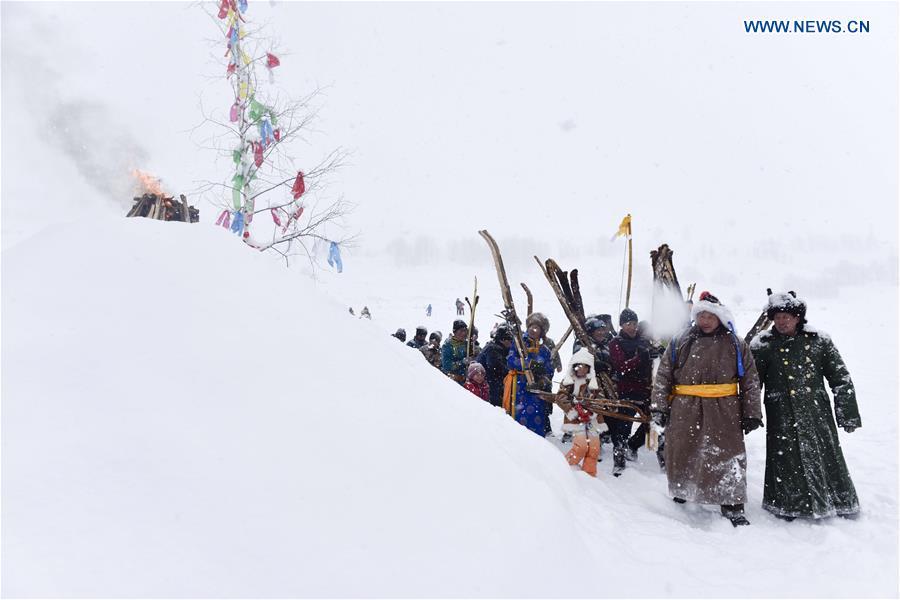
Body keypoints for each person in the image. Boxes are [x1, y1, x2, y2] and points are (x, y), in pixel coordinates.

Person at [650, 291, 763, 526]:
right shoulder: (680, 340)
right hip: (685, 407)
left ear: (719, 317)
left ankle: (731, 502)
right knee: (684, 450)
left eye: (710, 316)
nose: (705, 321)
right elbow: (663, 375)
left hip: (725, 409)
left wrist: (752, 412)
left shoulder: (735, 343)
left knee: (727, 454)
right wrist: (659, 406)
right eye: (701, 316)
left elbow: (750, 380)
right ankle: (684, 489)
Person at [750, 291, 861, 520]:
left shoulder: (820, 340)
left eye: (786, 317)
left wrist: (847, 414)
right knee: (785, 459)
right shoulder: (762, 345)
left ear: (798, 317)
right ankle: (788, 505)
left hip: (816, 412)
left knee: (825, 455)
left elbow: (840, 378)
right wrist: (750, 415)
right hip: (781, 413)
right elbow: (752, 384)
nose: (781, 322)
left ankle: (838, 501)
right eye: (777, 317)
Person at [607, 308, 655, 476]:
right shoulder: (616, 343)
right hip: (626, 389)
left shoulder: (644, 341)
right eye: (628, 324)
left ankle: (633, 445)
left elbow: (650, 362)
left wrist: (654, 355)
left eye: (634, 323)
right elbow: (621, 368)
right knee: (623, 425)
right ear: (621, 325)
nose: (632, 327)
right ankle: (619, 460)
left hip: (645, 389)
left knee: (652, 420)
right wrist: (640, 358)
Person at [505, 312, 553, 436]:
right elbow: (510, 361)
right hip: (519, 386)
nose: (533, 330)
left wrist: (543, 380)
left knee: (537, 418)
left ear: (542, 332)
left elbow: (549, 371)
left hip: (536, 390)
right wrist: (528, 364)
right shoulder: (518, 343)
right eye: (531, 326)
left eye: (537, 327)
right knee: (519, 417)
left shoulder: (545, 350)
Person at [557, 348, 603, 477]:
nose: (581, 369)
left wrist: (592, 408)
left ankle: (589, 474)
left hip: (592, 419)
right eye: (579, 366)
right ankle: (566, 468)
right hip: (575, 418)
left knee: (594, 449)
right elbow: (560, 398)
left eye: (585, 366)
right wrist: (573, 409)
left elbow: (601, 398)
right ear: (574, 367)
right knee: (581, 446)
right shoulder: (568, 382)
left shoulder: (594, 382)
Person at [476, 324, 513, 407]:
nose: (511, 344)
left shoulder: (496, 347)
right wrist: (511, 372)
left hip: (492, 384)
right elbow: (495, 367)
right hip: (490, 385)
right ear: (503, 340)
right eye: (510, 340)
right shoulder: (493, 349)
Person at [442, 320, 469, 384]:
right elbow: (446, 366)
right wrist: (462, 362)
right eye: (461, 331)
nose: (464, 333)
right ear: (455, 332)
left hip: (466, 379)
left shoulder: (467, 344)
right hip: (453, 380)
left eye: (465, 331)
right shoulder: (448, 345)